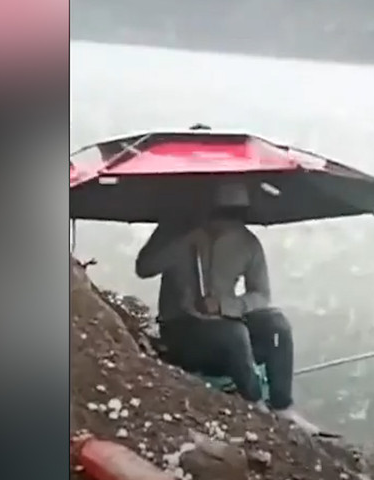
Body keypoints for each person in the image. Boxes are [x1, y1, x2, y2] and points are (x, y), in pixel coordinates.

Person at [133, 182, 318, 433]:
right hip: (183, 333)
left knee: (277, 325)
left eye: (234, 214)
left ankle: (282, 405)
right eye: (221, 213)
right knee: (233, 334)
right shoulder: (175, 230)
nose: (226, 222)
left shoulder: (247, 243)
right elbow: (144, 268)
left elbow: (261, 295)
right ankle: (254, 403)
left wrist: (227, 305)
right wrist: (182, 238)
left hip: (228, 329)